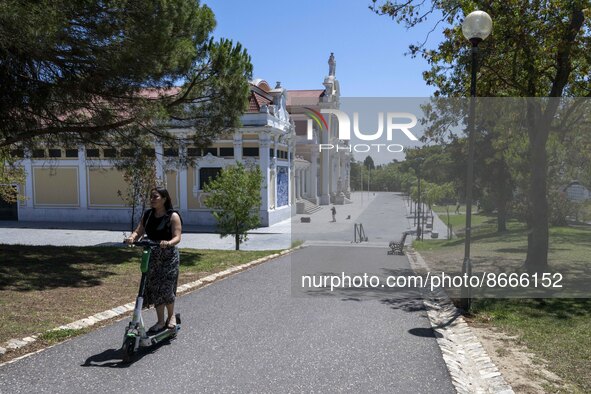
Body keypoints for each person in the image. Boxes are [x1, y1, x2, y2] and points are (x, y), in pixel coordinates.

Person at [125, 187, 182, 332]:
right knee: (155, 287)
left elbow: (177, 236)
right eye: (151, 197)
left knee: (167, 288)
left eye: (155, 197)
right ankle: (160, 321)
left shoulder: (172, 216)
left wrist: (168, 242)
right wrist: (132, 237)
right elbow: (139, 231)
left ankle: (171, 317)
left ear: (164, 199)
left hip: (168, 256)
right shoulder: (148, 215)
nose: (152, 199)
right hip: (152, 254)